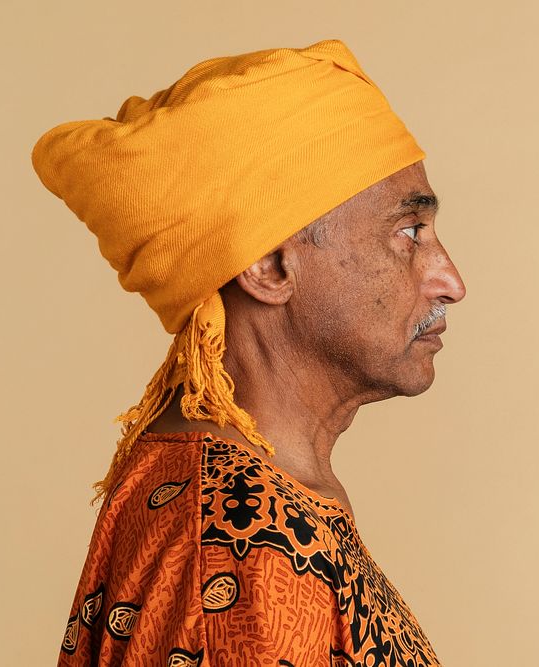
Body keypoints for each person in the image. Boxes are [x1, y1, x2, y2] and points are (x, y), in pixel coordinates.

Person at [32, 38, 465, 667]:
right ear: (267, 267)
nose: (450, 280)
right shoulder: (238, 555)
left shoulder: (254, 507)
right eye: (409, 233)